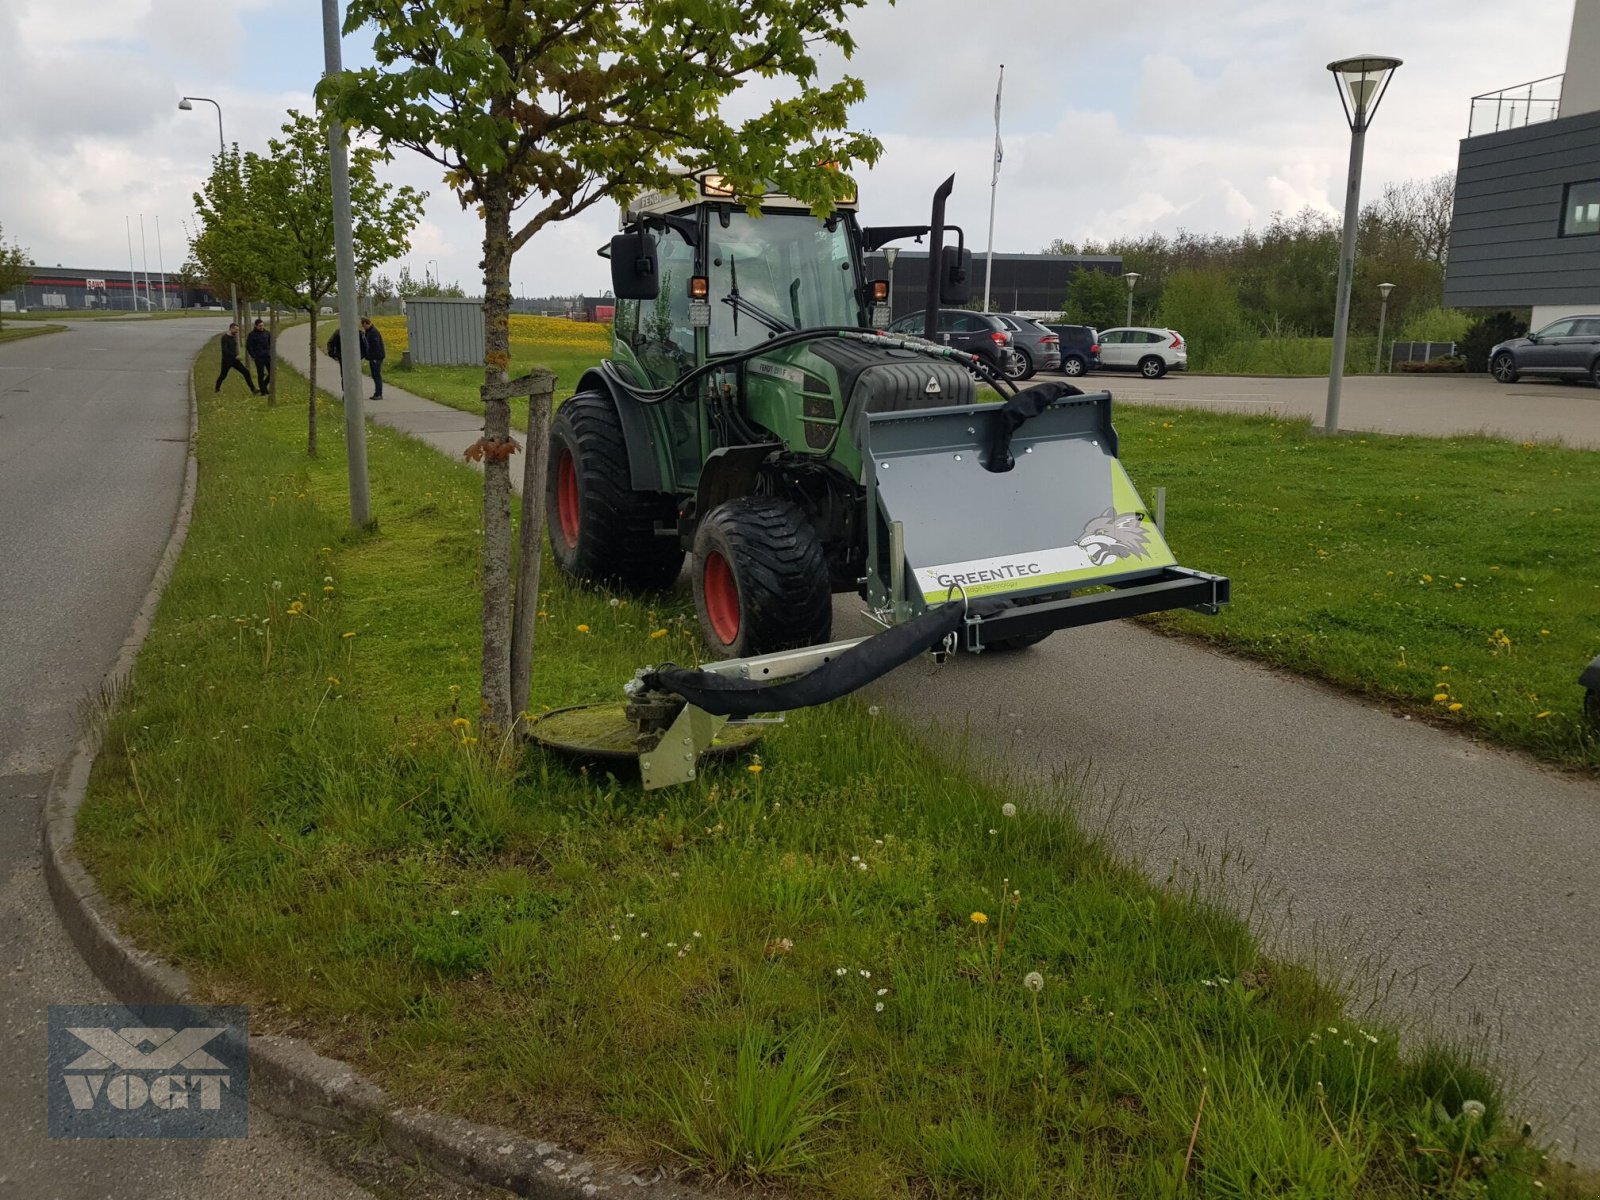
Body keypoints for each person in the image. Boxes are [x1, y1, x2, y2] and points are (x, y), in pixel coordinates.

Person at [216, 323, 258, 394]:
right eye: (236, 330)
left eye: (238, 330)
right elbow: (225, 350)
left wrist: (236, 355)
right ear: (231, 328)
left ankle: (253, 389)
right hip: (227, 361)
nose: (237, 331)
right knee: (223, 375)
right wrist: (235, 355)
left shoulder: (233, 337)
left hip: (235, 360)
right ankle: (217, 388)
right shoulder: (224, 338)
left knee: (246, 372)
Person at [360, 317, 386, 400]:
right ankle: (377, 393)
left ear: (366, 324)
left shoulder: (373, 332)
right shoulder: (369, 332)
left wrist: (374, 358)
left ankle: (379, 394)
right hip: (373, 357)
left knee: (377, 375)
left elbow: (376, 347)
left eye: (363, 325)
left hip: (376, 358)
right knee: (374, 375)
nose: (363, 327)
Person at [245, 318, 272, 394]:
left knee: (272, 373)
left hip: (267, 356)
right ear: (256, 326)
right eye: (260, 326)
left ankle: (263, 385)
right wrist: (253, 355)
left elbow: (271, 343)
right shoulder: (252, 335)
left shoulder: (267, 333)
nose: (261, 327)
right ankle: (263, 391)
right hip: (259, 357)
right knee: (261, 374)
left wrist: (271, 353)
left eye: (262, 325)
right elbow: (249, 346)